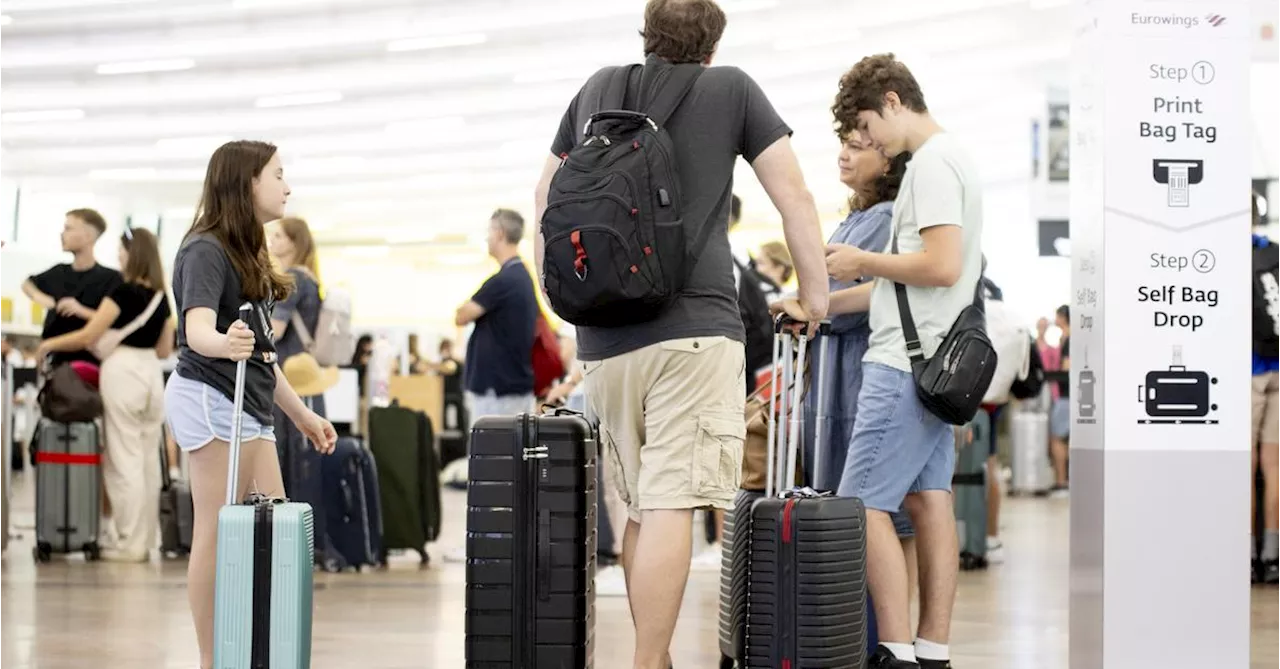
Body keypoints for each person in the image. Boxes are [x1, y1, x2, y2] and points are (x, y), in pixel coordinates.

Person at [534, 2, 829, 667]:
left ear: (647, 33)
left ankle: (654, 656)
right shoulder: (730, 89)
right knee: (672, 505)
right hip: (693, 332)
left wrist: (565, 305)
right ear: (713, 43)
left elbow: (544, 196)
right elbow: (795, 196)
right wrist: (814, 296)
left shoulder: (596, 88)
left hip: (604, 341)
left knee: (641, 507)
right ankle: (646, 661)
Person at [823, 53, 984, 669]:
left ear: (892, 100)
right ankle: (932, 648)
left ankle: (892, 650)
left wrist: (862, 261)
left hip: (903, 363)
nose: (866, 142)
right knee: (929, 500)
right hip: (936, 357)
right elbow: (927, 277)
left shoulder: (932, 166)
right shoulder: (952, 158)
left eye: (866, 125)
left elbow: (939, 266)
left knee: (859, 505)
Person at [163, 139, 337, 669]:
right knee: (217, 529)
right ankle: (212, 657)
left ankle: (263, 649)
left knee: (276, 526)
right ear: (247, 183)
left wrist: (303, 415)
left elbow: (262, 356)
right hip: (211, 396)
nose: (287, 185)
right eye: (278, 174)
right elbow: (196, 331)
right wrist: (224, 341)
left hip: (247, 401)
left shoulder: (249, 252)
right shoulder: (204, 249)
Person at [37, 227, 174, 562]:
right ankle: (144, 540)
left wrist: (49, 344)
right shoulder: (160, 297)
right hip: (152, 377)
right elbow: (163, 349)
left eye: (122, 251)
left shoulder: (121, 291)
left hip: (123, 373)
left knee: (122, 460)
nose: (118, 256)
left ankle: (128, 544)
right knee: (146, 463)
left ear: (133, 253)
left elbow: (88, 336)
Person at [455, 208, 538, 421]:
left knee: (491, 451)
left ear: (500, 233)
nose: (487, 238)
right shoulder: (522, 276)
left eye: (489, 232)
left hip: (498, 392)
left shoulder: (504, 281)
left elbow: (461, 316)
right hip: (511, 387)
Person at [22, 208, 123, 367]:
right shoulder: (58, 272)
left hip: (88, 365)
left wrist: (80, 310)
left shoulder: (111, 279)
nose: (62, 234)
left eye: (68, 228)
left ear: (88, 236)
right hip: (54, 362)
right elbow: (27, 284)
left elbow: (115, 322)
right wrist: (45, 301)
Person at [1050, 304, 1071, 498]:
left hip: (1067, 397)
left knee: (1056, 439)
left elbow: (1067, 367)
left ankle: (1061, 481)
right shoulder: (1065, 338)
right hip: (1068, 396)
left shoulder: (1069, 339)